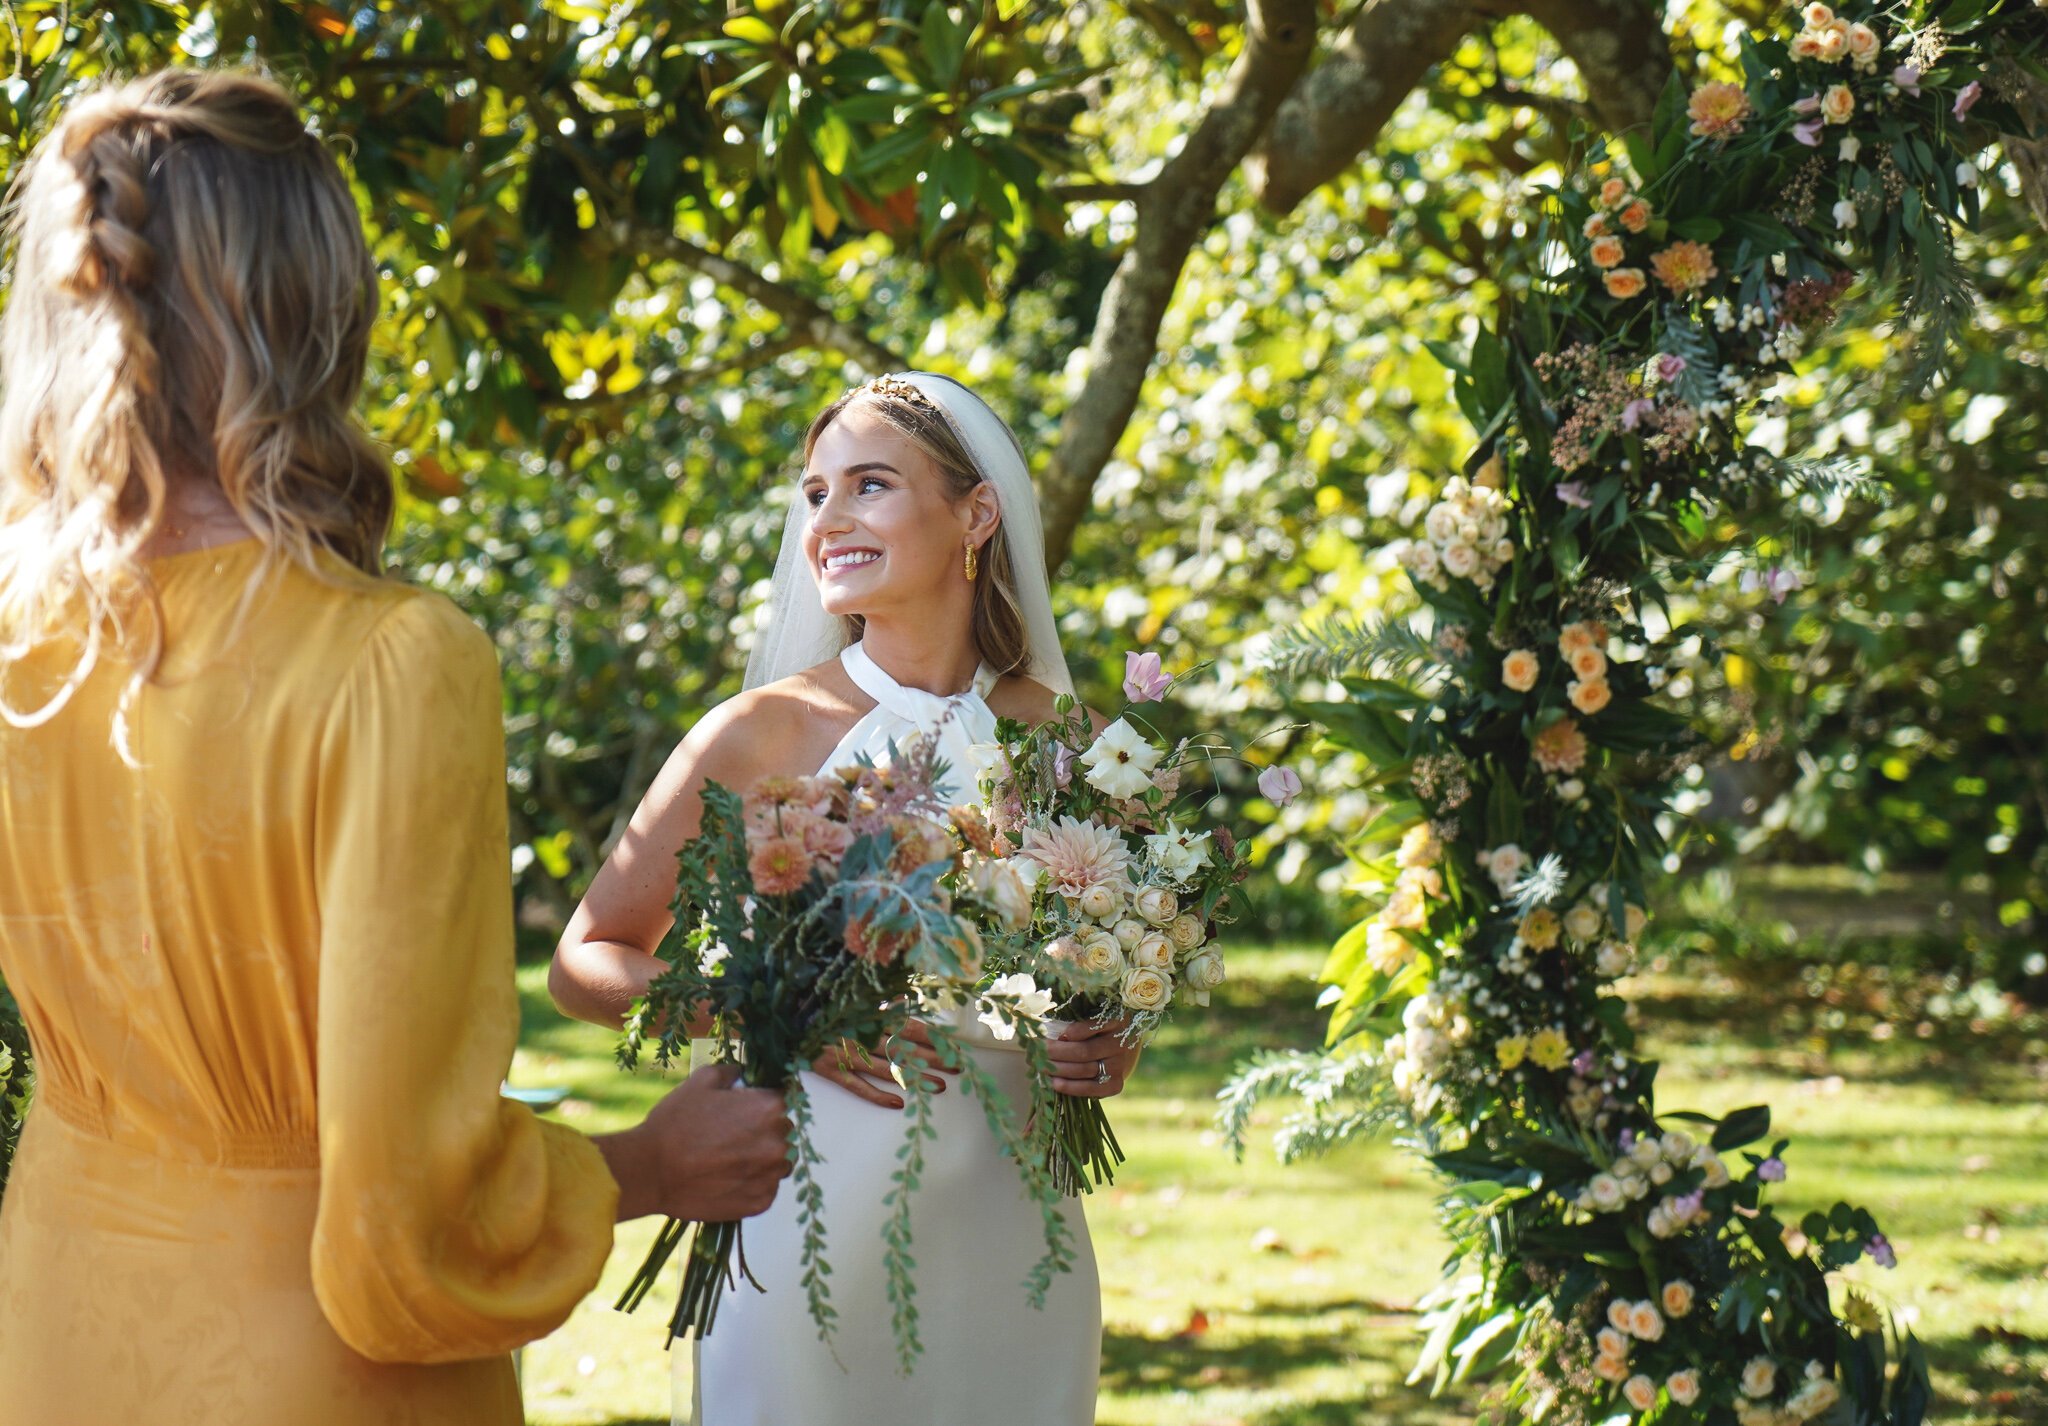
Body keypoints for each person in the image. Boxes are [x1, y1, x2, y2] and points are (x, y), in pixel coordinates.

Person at [0, 69, 792, 1425]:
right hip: (301, 1370)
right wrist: (646, 1162)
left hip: (54, 1315)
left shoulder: (19, 637)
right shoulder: (392, 663)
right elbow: (398, 1228)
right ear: (323, 309)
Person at [550, 372, 1133, 1424]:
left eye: (868, 484)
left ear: (975, 512)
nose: (827, 521)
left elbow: (1102, 965)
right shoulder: (758, 732)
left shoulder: (1061, 734)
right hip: (806, 1210)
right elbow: (585, 959)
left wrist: (1105, 1034)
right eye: (815, 493)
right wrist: (771, 1018)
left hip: (1014, 1225)